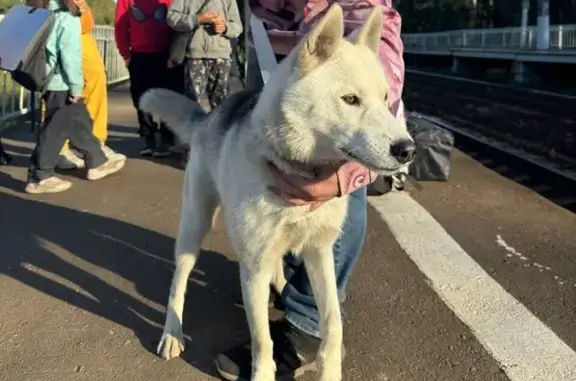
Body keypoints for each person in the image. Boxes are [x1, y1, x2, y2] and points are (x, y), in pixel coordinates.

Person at [214, 1, 406, 379]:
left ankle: (307, 321)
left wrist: (343, 178)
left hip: (329, 39)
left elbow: (376, 43)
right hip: (267, 38)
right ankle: (274, 271)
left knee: (331, 207)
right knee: (264, 209)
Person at [25, 0, 126, 195]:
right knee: (55, 129)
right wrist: (76, 87)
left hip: (48, 80)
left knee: (79, 120)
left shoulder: (42, 14)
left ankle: (96, 160)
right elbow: (70, 57)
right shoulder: (68, 19)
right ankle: (40, 176)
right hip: (60, 83)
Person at [57, 0, 126, 170]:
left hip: (82, 32)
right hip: (60, 24)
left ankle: (94, 142)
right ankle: (59, 148)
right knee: (57, 86)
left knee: (96, 78)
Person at [114, 0, 177, 157]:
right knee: (140, 97)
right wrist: (126, 54)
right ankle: (148, 136)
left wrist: (175, 54)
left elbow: (177, 24)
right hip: (139, 55)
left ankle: (166, 138)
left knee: (166, 96)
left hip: (165, 54)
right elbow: (120, 26)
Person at [167, 0, 243, 112]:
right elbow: (172, 18)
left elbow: (238, 26)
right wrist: (197, 19)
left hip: (221, 56)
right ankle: (195, 129)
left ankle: (217, 129)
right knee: (193, 102)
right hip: (195, 54)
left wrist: (225, 27)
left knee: (221, 103)